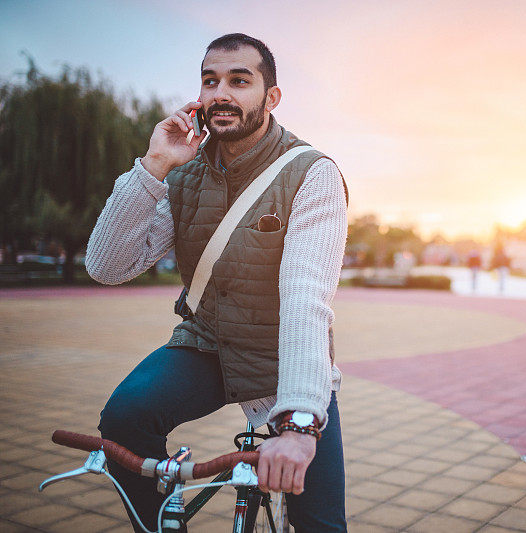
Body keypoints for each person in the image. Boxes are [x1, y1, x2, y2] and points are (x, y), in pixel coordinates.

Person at [85, 33, 348, 532]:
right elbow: (106, 266)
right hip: (205, 345)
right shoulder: (182, 176)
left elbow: (304, 301)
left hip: (283, 358)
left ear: (271, 97)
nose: (220, 93)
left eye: (239, 81)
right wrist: (155, 166)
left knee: (321, 524)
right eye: (210, 81)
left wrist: (297, 426)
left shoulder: (312, 174)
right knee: (125, 418)